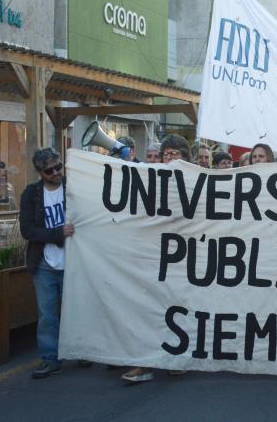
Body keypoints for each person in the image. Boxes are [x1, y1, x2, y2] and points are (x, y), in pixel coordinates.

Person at [121, 138, 188, 383]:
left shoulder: (199, 182)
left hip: (183, 260)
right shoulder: (148, 181)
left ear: (186, 158)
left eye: (175, 154)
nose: (169, 158)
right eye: (166, 154)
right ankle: (144, 362)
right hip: (152, 257)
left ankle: (176, 358)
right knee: (147, 309)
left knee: (177, 311)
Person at [19, 148, 77, 378]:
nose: (55, 173)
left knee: (75, 310)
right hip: (44, 263)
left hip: (73, 261)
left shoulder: (72, 188)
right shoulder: (31, 194)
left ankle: (80, 351)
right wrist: (57, 233)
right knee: (47, 315)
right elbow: (27, 230)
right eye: (49, 170)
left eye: (58, 167)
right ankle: (49, 358)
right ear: (40, 172)